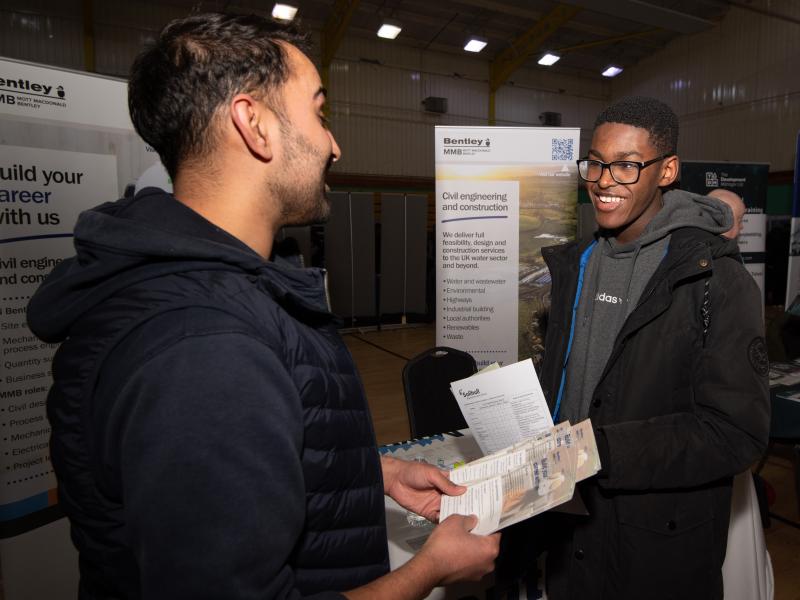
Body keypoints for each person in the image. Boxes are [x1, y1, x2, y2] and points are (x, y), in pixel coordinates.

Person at [27, 13, 498, 600]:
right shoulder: (205, 351)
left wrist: (368, 471)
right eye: (319, 113)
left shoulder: (209, 298)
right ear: (254, 124)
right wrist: (431, 570)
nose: (334, 144)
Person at [531, 96, 770, 600]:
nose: (603, 181)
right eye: (595, 163)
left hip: (658, 549)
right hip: (568, 537)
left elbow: (735, 432)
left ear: (667, 171)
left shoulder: (715, 279)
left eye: (626, 165)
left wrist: (599, 451)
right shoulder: (574, 267)